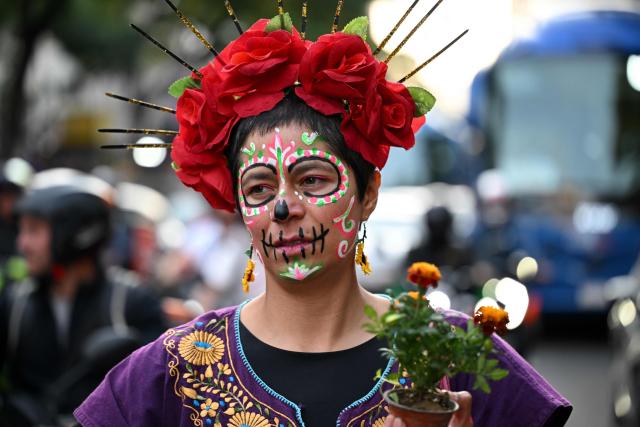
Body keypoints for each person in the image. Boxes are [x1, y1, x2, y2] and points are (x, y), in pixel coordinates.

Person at [75, 11, 572, 427]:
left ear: (368, 192)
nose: (285, 208)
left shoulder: (457, 354)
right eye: (259, 188)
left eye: (312, 180)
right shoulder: (174, 369)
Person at [0, 185, 167, 426]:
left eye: (34, 231)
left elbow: (161, 395)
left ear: (72, 235)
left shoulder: (131, 304)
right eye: (21, 231)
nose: (22, 244)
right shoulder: (15, 303)